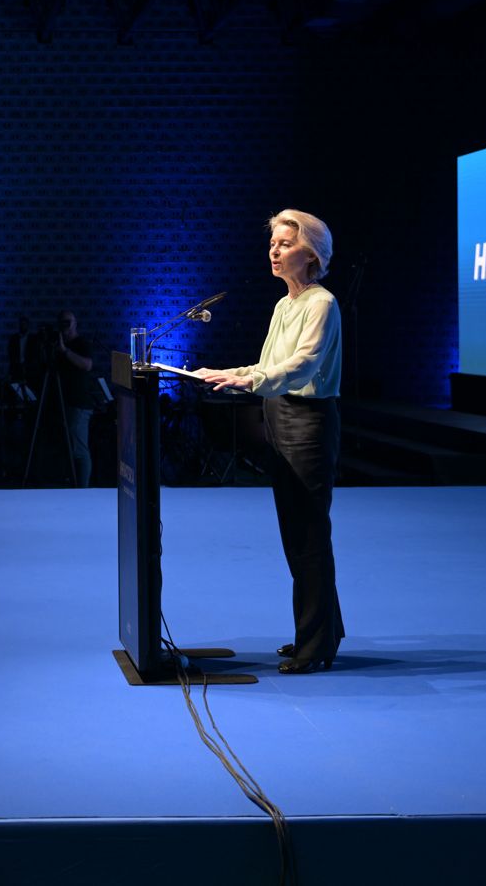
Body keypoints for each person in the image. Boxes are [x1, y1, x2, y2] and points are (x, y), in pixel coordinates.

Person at [196, 209, 343, 675]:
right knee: (296, 533)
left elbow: (302, 366)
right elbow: (267, 364)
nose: (274, 251)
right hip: (279, 415)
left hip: (308, 422)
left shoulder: (322, 303)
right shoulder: (284, 305)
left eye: (285, 244)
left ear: (311, 253)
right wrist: (224, 373)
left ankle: (316, 645)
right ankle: (321, 631)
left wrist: (250, 381)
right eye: (273, 243)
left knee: (309, 535)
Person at [51, 311, 96, 487]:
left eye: (68, 322)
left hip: (79, 404)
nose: (65, 326)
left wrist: (65, 351)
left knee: (79, 450)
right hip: (63, 404)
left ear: (75, 323)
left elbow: (87, 365)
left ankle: (83, 491)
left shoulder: (82, 343)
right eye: (61, 322)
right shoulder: (59, 347)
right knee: (67, 449)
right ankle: (71, 486)